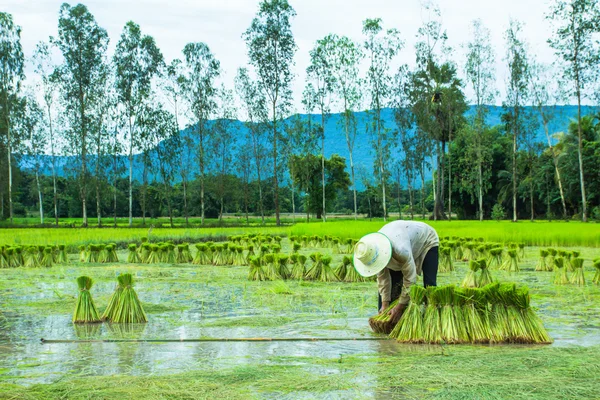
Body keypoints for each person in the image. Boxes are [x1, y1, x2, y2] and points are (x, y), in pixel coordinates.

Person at [353, 220, 439, 324]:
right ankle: (396, 323)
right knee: (393, 293)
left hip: (426, 241)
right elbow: (382, 278)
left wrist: (399, 306)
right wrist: (385, 305)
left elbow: (410, 281)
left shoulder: (401, 251)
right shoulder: (373, 249)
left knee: (429, 285)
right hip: (401, 240)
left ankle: (432, 321)